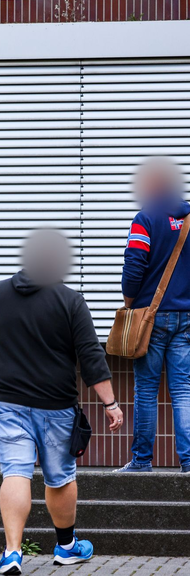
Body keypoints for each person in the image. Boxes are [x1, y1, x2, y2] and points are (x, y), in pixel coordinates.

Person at [0, 229, 124, 574]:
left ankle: (12, 553)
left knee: (16, 472)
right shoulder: (69, 300)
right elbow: (91, 357)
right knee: (60, 477)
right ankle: (66, 547)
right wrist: (110, 404)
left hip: (7, 404)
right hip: (57, 407)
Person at [117, 157, 190, 474]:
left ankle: (142, 461)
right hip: (185, 316)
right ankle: (188, 462)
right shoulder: (188, 220)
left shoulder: (145, 219)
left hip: (151, 316)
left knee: (146, 390)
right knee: (183, 390)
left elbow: (134, 265)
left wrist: (130, 301)